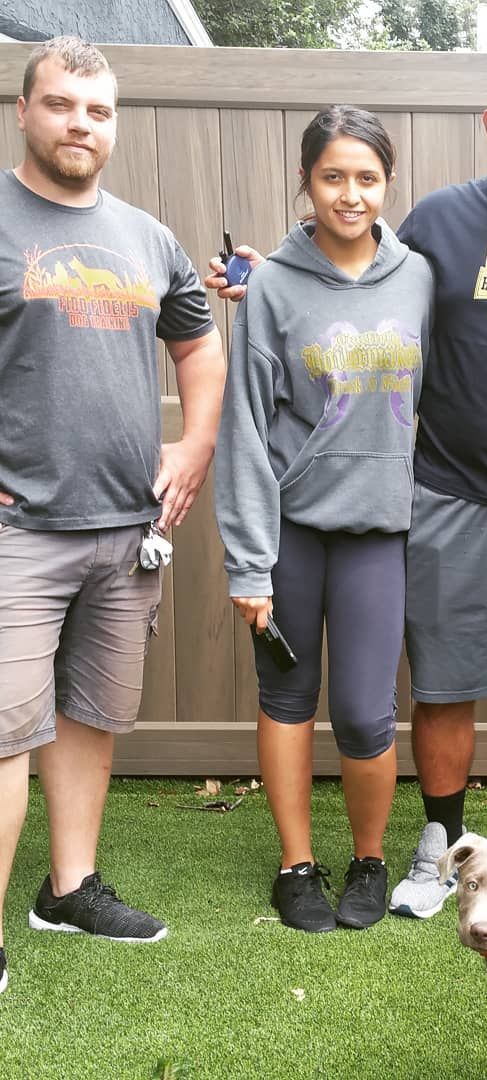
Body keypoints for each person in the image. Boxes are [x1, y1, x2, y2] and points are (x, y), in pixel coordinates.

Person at [207, 47, 487, 918]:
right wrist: (259, 280)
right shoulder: (439, 223)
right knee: (446, 685)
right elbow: (352, 274)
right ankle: (440, 843)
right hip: (446, 495)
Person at [0, 37, 225, 995]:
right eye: (60, 105)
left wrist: (194, 443)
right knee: (6, 729)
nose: (79, 124)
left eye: (96, 110)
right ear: (24, 111)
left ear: (114, 122)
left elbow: (200, 346)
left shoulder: (145, 235)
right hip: (19, 527)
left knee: (90, 716)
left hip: (127, 533)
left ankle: (70, 887)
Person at [215, 107, 434, 933]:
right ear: (306, 182)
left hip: (379, 532)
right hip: (294, 532)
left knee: (367, 713)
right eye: (332, 176)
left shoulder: (417, 278)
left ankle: (369, 861)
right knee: (287, 697)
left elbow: (435, 399)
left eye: (366, 177)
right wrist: (247, 562)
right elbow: (243, 427)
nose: (350, 194)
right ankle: (296, 865)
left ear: (387, 183)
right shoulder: (272, 283)